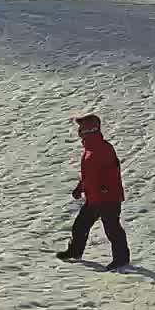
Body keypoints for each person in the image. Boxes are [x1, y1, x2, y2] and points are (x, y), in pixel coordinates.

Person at [57, 114, 130, 269]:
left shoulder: (104, 149)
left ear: (89, 130)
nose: (79, 132)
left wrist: (105, 188)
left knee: (112, 228)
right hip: (94, 198)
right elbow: (89, 175)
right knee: (80, 225)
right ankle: (75, 251)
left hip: (108, 198)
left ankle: (121, 258)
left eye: (82, 128)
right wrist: (80, 188)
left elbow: (111, 171)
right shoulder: (89, 149)